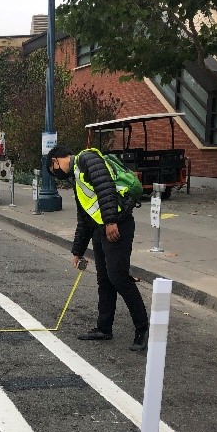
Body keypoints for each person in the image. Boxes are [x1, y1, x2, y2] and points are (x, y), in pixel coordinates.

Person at [47, 145, 149, 351]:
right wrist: (78, 251)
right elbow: (84, 217)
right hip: (100, 229)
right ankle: (104, 328)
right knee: (104, 280)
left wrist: (111, 221)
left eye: (53, 168)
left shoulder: (87, 159)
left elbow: (106, 189)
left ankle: (143, 328)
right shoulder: (77, 175)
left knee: (119, 278)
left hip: (116, 226)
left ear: (57, 159)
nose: (56, 173)